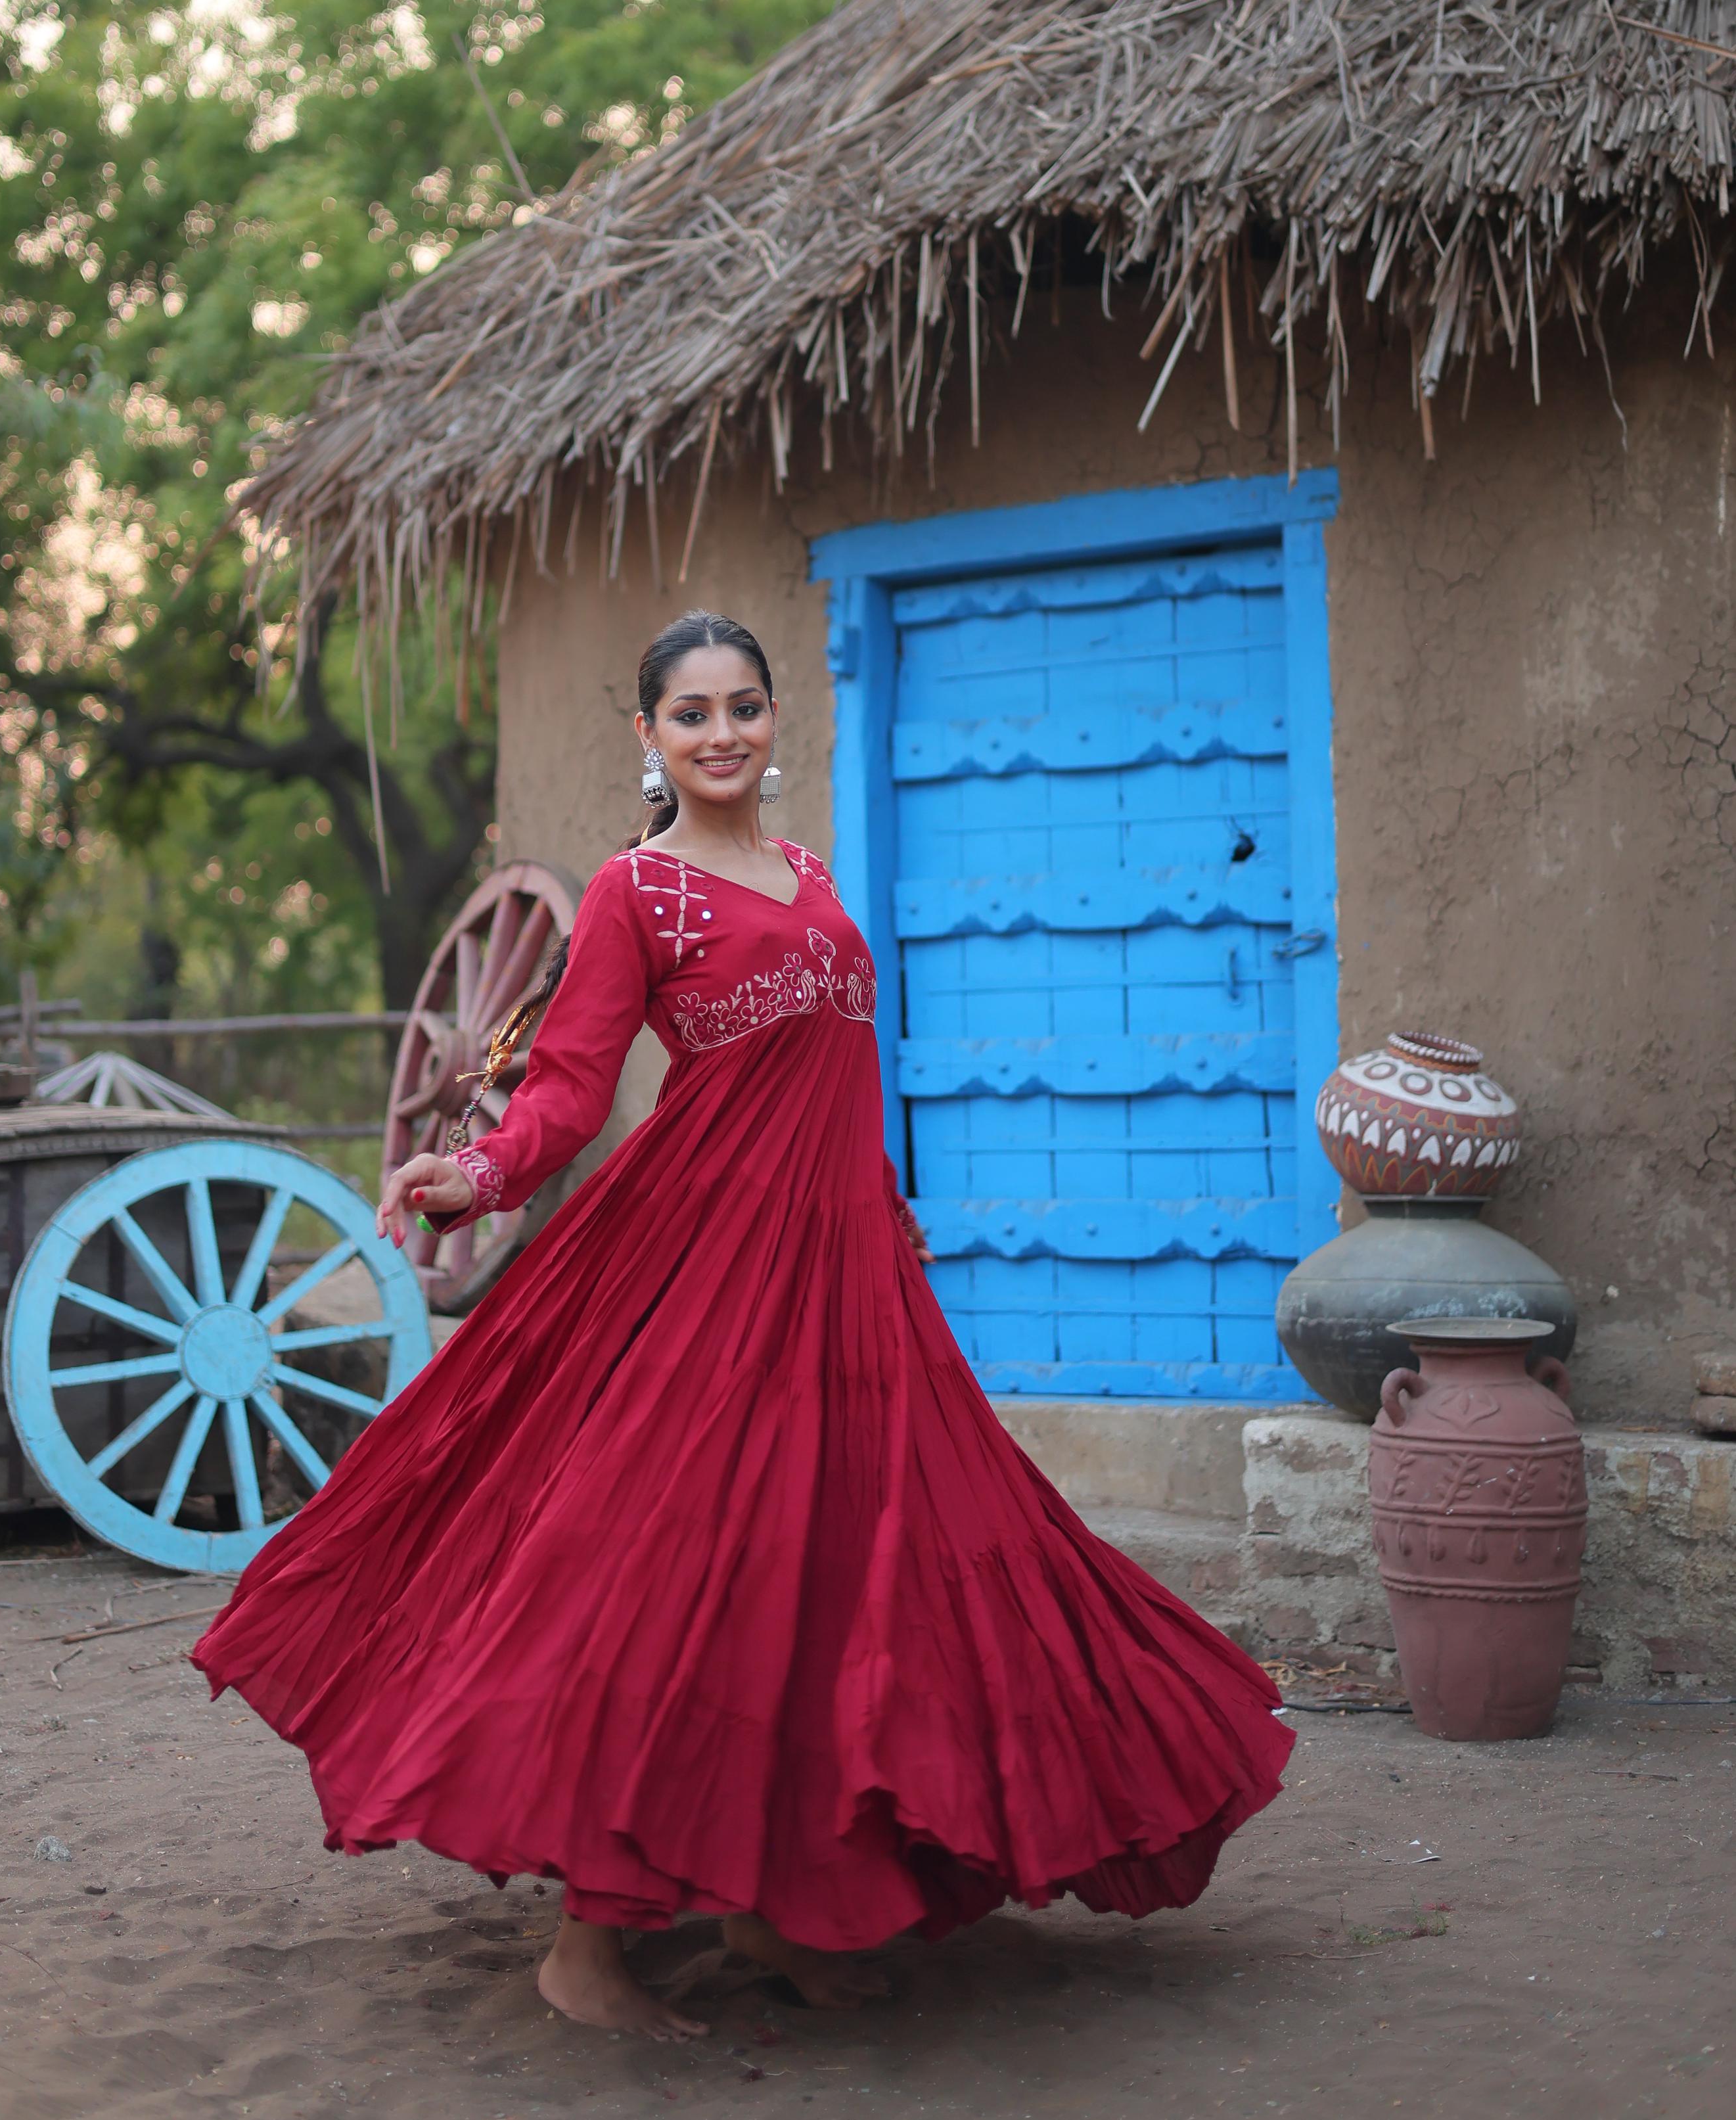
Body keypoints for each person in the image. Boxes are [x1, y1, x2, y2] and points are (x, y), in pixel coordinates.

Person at [194, 609, 1292, 2042]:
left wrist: (887, 1212)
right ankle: (587, 1955)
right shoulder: (633, 893)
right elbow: (573, 1089)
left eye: (745, 707)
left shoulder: (812, 876)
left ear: (778, 723)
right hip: (709, 1267)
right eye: (692, 713)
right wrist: (477, 1171)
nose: (723, 734)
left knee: (833, 1573)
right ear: (646, 737)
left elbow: (842, 1077)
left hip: (843, 1272)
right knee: (682, 1562)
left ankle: (773, 1911)